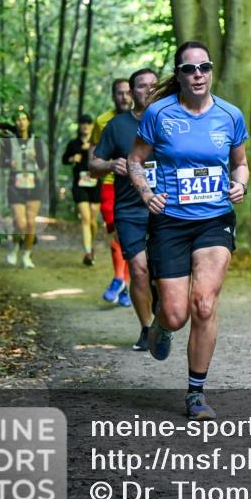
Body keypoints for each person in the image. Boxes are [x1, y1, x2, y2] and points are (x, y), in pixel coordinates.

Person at [127, 41, 249, 420]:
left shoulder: (230, 115)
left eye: (204, 68)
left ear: (211, 72)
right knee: (177, 314)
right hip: (171, 223)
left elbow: (241, 164)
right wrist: (146, 193)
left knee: (205, 304)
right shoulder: (158, 114)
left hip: (214, 219)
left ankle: (196, 394)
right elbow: (135, 160)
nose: (197, 74)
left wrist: (240, 184)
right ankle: (160, 326)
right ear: (178, 74)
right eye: (189, 69)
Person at [90, 68, 159, 350]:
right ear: (132, 93)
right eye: (142, 86)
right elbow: (92, 165)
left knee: (162, 274)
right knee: (139, 269)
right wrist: (109, 164)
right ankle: (147, 329)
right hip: (130, 210)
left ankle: (163, 318)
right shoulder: (117, 126)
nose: (150, 90)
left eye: (155, 85)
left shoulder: (174, 122)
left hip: (166, 210)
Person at [92, 79, 134, 306]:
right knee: (118, 231)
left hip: (135, 185)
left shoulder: (146, 118)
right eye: (119, 93)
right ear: (112, 96)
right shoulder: (102, 121)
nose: (124, 98)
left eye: (128, 93)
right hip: (110, 183)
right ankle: (121, 279)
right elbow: (95, 155)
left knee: (126, 234)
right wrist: (106, 165)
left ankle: (123, 282)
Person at [0, 109, 46, 269]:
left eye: (24, 119)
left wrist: (36, 156)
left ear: (29, 121)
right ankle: (14, 247)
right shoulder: (8, 142)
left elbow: (42, 165)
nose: (21, 122)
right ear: (15, 123)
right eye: (18, 120)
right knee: (20, 223)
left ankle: (27, 255)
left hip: (33, 184)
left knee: (31, 223)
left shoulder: (36, 141)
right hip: (15, 184)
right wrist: (8, 163)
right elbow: (0, 163)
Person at [62, 115, 101, 266]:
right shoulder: (73, 144)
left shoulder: (97, 142)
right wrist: (73, 158)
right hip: (79, 184)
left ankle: (91, 246)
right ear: (79, 126)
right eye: (82, 123)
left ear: (92, 126)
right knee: (85, 218)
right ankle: (87, 251)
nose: (85, 126)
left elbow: (107, 158)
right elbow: (64, 159)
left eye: (88, 123)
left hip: (95, 183)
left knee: (92, 220)